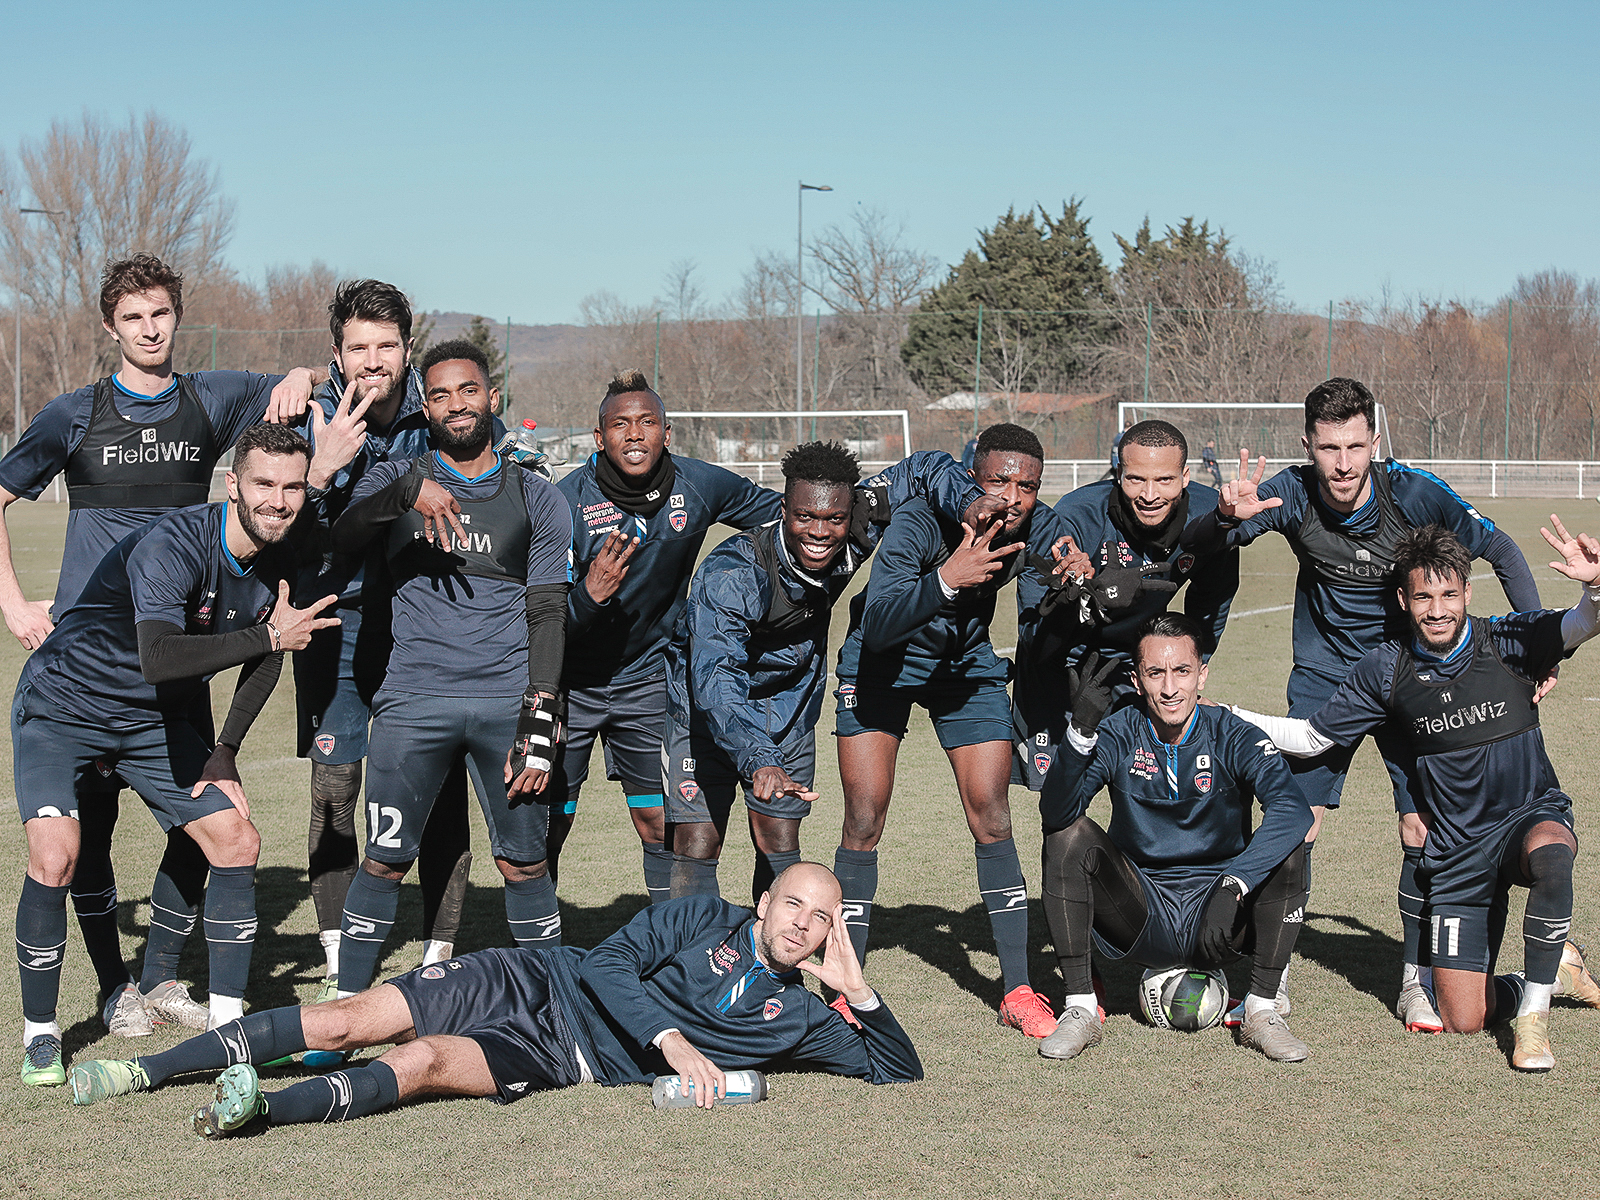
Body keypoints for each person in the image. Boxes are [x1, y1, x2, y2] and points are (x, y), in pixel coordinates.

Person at [0, 253, 321, 1038]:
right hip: (95, 655)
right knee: (90, 835)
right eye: (133, 318)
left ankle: (163, 977)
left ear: (179, 316)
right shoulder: (74, 413)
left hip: (182, 654)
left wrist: (300, 375)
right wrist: (12, 604)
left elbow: (305, 383)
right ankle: (116, 987)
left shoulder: (211, 399)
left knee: (197, 815)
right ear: (110, 328)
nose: (149, 330)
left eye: (161, 314)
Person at [1182, 377, 1543, 1031]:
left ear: (1375, 441)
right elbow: (1202, 547)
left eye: (1355, 446)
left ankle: (1416, 982)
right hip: (1324, 677)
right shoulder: (1290, 493)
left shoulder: (1415, 494)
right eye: (1329, 448)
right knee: (1296, 821)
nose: (1343, 464)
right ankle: (1270, 985)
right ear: (1307, 446)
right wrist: (1226, 519)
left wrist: (1534, 651)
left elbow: (1501, 550)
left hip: (1412, 679)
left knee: (1423, 826)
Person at [65, 863, 923, 1136]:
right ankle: (144, 1070)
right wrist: (672, 1040)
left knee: (421, 1063)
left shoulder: (801, 1018)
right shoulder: (703, 915)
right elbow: (610, 965)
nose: (802, 924)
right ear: (764, 901)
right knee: (345, 1020)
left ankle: (258, 1109)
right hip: (535, 978)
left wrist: (861, 992)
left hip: (557, 1057)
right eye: (792, 904)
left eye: (820, 918)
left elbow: (897, 1074)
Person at [12, 424, 338, 1085]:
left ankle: (227, 1029)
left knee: (236, 840)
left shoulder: (286, 547)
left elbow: (270, 651)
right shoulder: (173, 543)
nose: (277, 500)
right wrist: (270, 637)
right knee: (57, 854)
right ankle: (40, 1035)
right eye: (263, 484)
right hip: (63, 706)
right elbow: (161, 656)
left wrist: (226, 750)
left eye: (292, 487)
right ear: (232, 485)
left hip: (149, 721)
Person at [1221, 523, 1600, 1070]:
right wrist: (1227, 715)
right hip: (1458, 850)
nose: (1438, 609)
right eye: (1424, 597)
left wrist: (1595, 587)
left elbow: (1582, 623)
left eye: (1449, 594)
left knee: (1552, 853)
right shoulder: (1387, 669)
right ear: (1404, 600)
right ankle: (1551, 974)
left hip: (1526, 816)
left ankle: (1533, 1021)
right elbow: (1311, 737)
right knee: (1463, 1018)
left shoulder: (1507, 639)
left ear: (1468, 592)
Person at [325, 339, 572, 999]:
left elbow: (549, 611)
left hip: (507, 707)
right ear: (425, 407)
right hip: (413, 701)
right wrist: (405, 491)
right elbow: (340, 540)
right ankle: (344, 1010)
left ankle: (552, 1008)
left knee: (524, 865)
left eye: (468, 390)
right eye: (439, 395)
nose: (456, 404)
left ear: (493, 397)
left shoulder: (538, 496)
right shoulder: (393, 478)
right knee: (383, 861)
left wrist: (541, 717)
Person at [664, 441, 1002, 907]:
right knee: (698, 840)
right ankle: (689, 949)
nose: (820, 532)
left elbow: (924, 466)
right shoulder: (732, 574)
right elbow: (715, 677)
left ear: (849, 512)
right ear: (784, 510)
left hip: (789, 706)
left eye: (834, 519)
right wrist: (758, 757)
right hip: (706, 707)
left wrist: (970, 502)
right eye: (804, 517)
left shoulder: (860, 521)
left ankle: (772, 949)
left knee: (779, 837)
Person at [830, 422, 1079, 1039]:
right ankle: (845, 989)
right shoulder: (919, 522)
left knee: (992, 811)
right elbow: (879, 625)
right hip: (882, 663)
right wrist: (947, 578)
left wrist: (1074, 562)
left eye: (1027, 487)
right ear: (972, 479)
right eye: (999, 482)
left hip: (963, 668)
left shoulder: (1031, 523)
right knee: (864, 815)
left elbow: (1065, 545)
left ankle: (1017, 989)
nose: (1013, 498)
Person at [294, 280, 491, 993]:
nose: (372, 360)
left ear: (408, 349)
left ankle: (438, 956)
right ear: (337, 354)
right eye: (358, 347)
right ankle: (337, 954)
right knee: (334, 788)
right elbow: (282, 520)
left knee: (436, 784)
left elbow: (493, 472)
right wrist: (320, 462)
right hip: (334, 623)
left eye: (386, 345)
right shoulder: (310, 416)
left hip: (424, 620)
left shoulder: (438, 408)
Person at [549, 370, 786, 905]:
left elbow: (788, 518)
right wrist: (589, 596)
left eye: (647, 422)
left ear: (667, 432)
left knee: (658, 821)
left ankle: (667, 937)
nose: (634, 434)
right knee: (549, 823)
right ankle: (540, 945)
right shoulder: (565, 503)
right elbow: (540, 620)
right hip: (569, 684)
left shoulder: (698, 485)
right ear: (599, 437)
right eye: (620, 424)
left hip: (649, 681)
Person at [1034, 612, 1315, 1062]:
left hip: (1220, 916)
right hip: (1142, 913)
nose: (1170, 688)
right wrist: (1080, 733)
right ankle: (1081, 1008)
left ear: (1202, 674)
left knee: (1290, 846)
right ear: (1137, 680)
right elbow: (1057, 814)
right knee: (1067, 837)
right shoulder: (1119, 733)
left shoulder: (1233, 735)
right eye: (1155, 673)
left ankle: (1261, 1011)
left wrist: (1234, 884)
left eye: (1182, 671)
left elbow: (1293, 810)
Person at [1012, 420, 1238, 795]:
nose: (1149, 494)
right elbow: (1034, 638)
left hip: (1136, 664)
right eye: (1135, 479)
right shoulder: (1077, 515)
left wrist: (1189, 674)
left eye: (1164, 480)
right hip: (1061, 661)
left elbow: (1212, 601)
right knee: (1061, 798)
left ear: (1185, 477)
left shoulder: (1210, 516)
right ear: (1118, 474)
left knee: (1146, 789)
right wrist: (1075, 600)